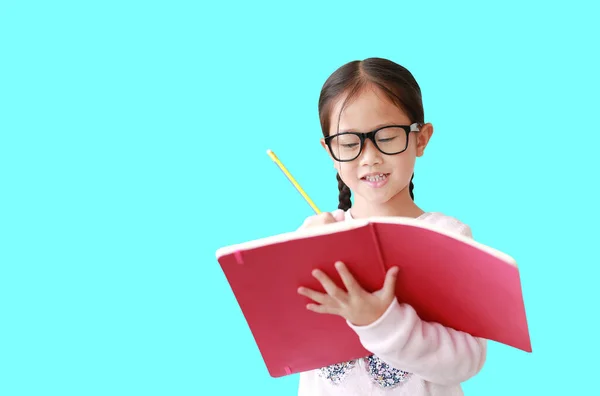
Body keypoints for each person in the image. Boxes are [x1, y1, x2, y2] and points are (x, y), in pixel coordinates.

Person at [295, 57, 487, 396]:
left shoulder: (447, 237)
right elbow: (290, 343)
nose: (370, 157)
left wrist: (379, 321)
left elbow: (467, 360)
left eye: (387, 136)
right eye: (350, 143)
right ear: (329, 151)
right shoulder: (315, 235)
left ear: (421, 139)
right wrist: (299, 257)